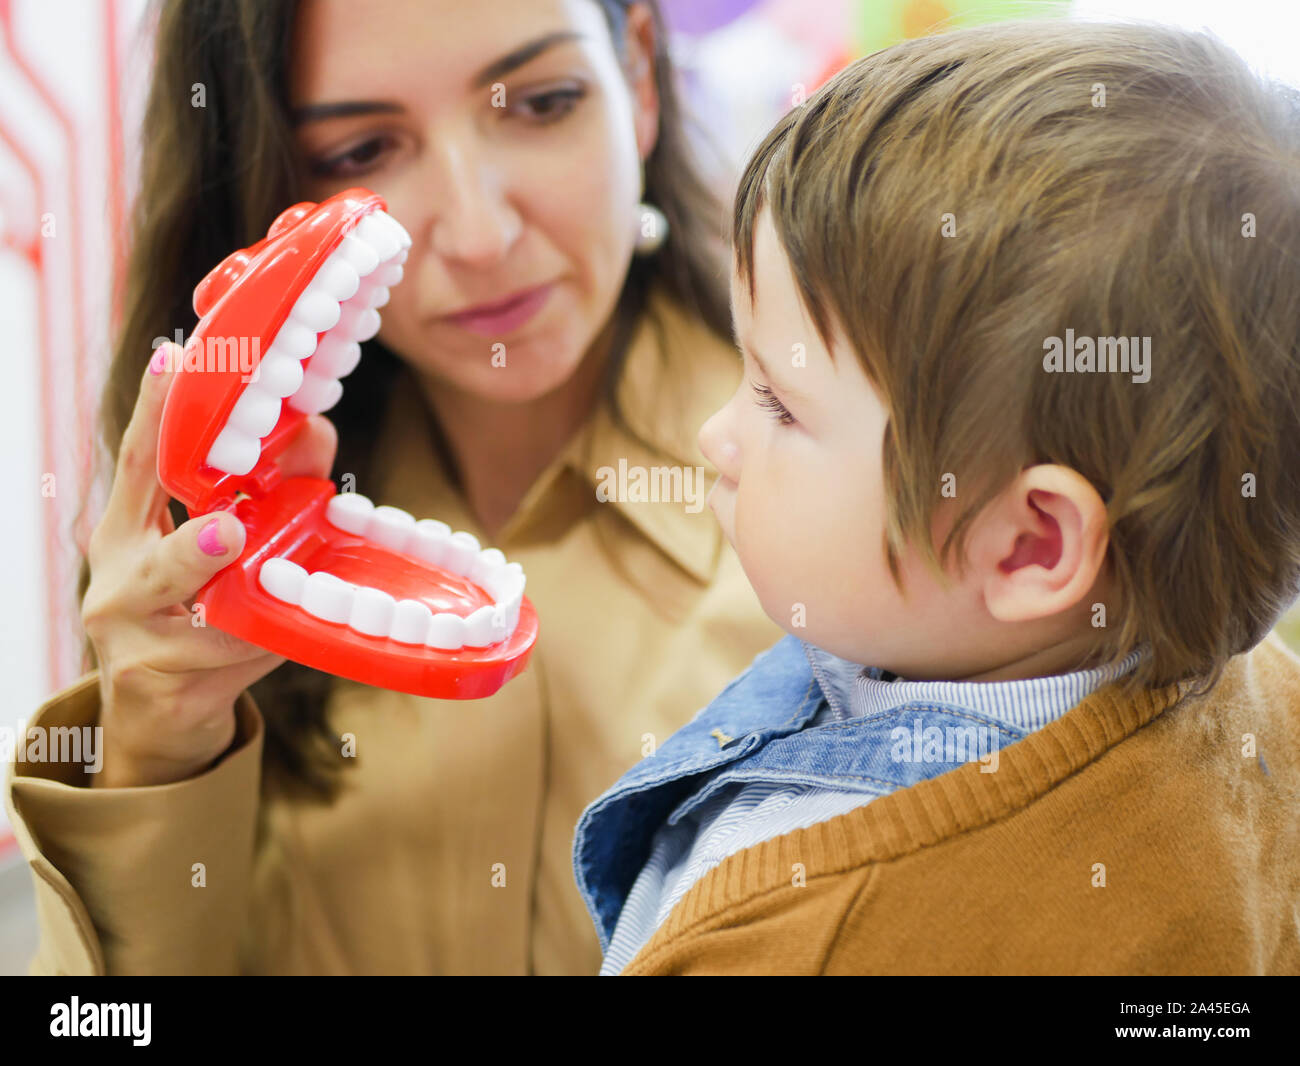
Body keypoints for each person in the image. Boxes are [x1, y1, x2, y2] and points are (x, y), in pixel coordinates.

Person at [3, 0, 781, 975]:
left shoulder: (862, 523)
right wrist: (152, 763)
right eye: (363, 147)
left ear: (636, 78)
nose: (480, 231)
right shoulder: (212, 566)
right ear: (273, 179)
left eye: (541, 102)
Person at [574, 19, 1300, 975]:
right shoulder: (1257, 698)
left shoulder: (812, 938)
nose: (718, 437)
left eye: (780, 405)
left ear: (1030, 547)